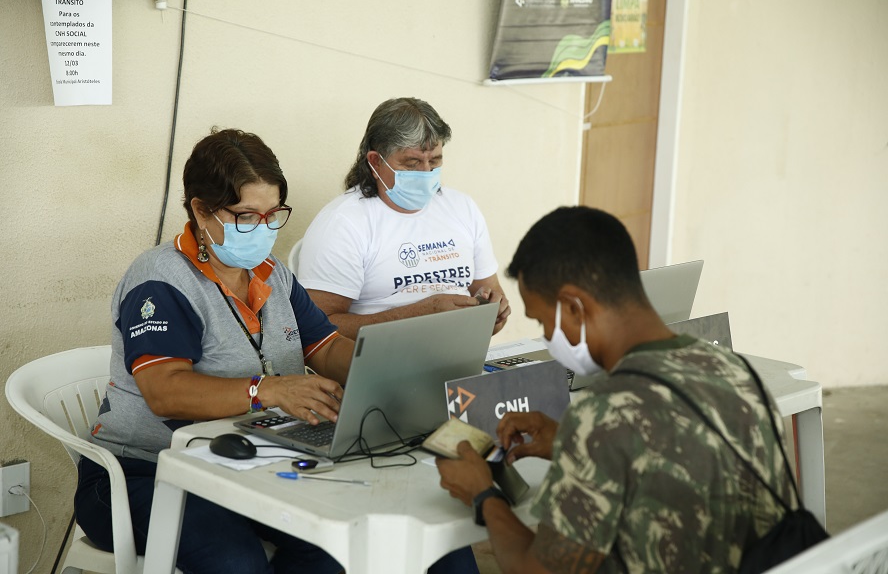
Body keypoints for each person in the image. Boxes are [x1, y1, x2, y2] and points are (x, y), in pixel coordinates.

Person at [435, 206, 795, 573]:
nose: (546, 338)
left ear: (574, 307)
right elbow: (679, 457)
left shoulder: (602, 417)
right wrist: (567, 442)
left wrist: (484, 495)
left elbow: (538, 570)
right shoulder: (732, 368)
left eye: (544, 322)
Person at [75, 128, 354, 574]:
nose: (263, 229)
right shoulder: (161, 281)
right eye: (245, 216)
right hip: (142, 472)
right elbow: (165, 392)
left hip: (243, 461)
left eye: (272, 215)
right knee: (234, 560)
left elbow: (326, 346)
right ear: (202, 210)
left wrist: (386, 367)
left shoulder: (271, 273)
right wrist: (271, 391)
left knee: (333, 540)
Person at [297, 97, 511, 339]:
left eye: (435, 160)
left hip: (461, 353)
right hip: (382, 365)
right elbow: (318, 329)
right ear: (376, 161)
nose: (427, 172)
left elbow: (490, 291)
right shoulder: (343, 223)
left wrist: (494, 312)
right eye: (412, 163)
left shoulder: (462, 207)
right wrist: (418, 315)